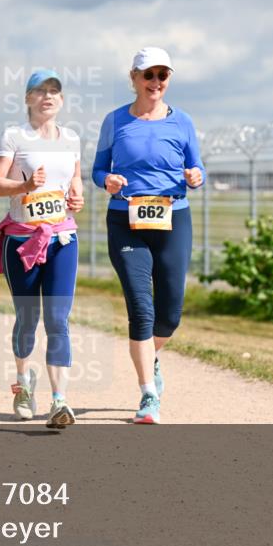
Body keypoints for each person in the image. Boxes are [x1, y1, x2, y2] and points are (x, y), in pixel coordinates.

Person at [91, 47, 205, 424]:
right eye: (148, 75)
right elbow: (97, 170)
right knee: (141, 309)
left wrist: (195, 176)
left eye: (162, 75)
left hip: (173, 218)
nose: (155, 82)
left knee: (169, 315)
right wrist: (107, 181)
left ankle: (149, 356)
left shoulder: (183, 121)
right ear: (134, 78)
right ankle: (148, 394)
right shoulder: (115, 121)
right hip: (126, 219)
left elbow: (196, 167)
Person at [0, 69, 84, 428]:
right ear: (27, 99)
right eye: (40, 91)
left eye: (54, 91)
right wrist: (24, 185)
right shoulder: (13, 137)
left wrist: (77, 194)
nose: (48, 96)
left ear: (62, 99)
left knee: (58, 320)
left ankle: (60, 402)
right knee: (28, 318)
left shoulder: (70, 138)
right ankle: (23, 385)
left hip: (62, 238)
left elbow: (74, 178)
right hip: (21, 240)